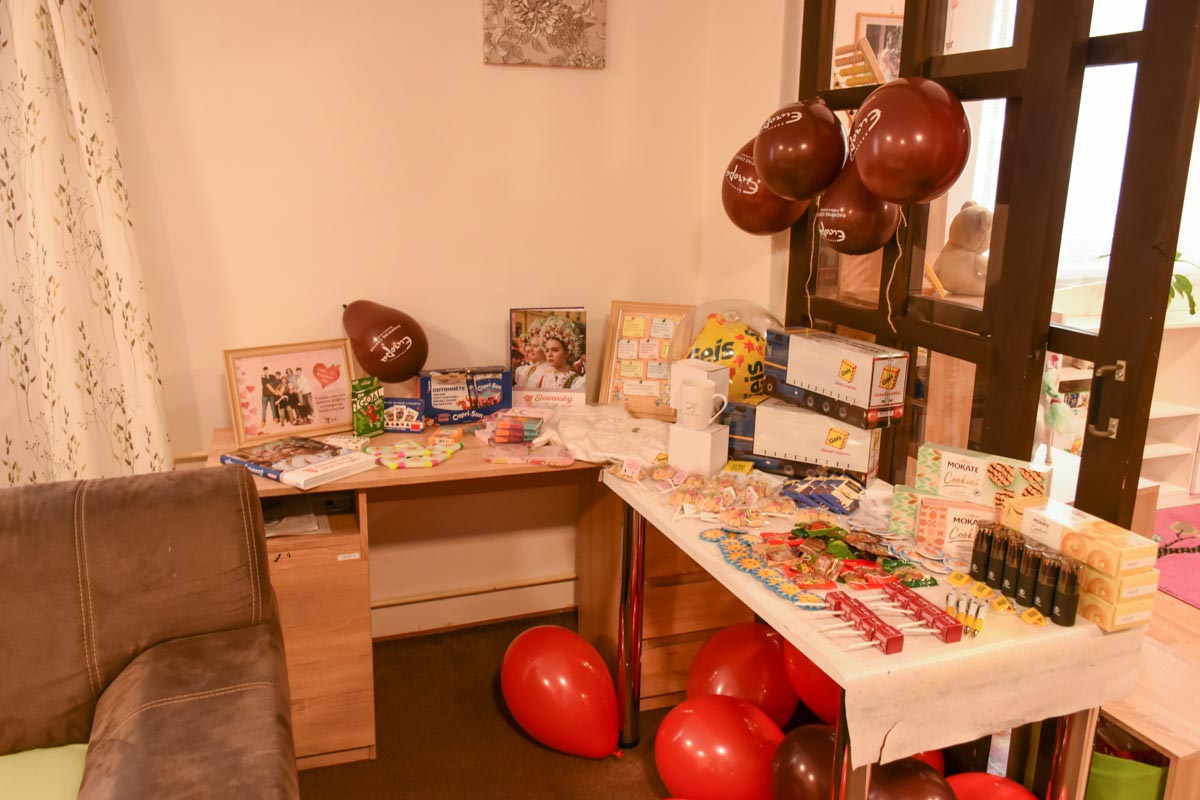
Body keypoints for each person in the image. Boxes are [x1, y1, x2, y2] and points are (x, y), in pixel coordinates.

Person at [534, 316, 585, 391]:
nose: (549, 354)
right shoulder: (543, 378)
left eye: (555, 350)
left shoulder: (577, 382)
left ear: (567, 353)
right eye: (547, 351)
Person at [515, 323, 549, 388]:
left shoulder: (549, 371)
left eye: (535, 346)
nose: (531, 349)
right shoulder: (530, 368)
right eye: (531, 345)